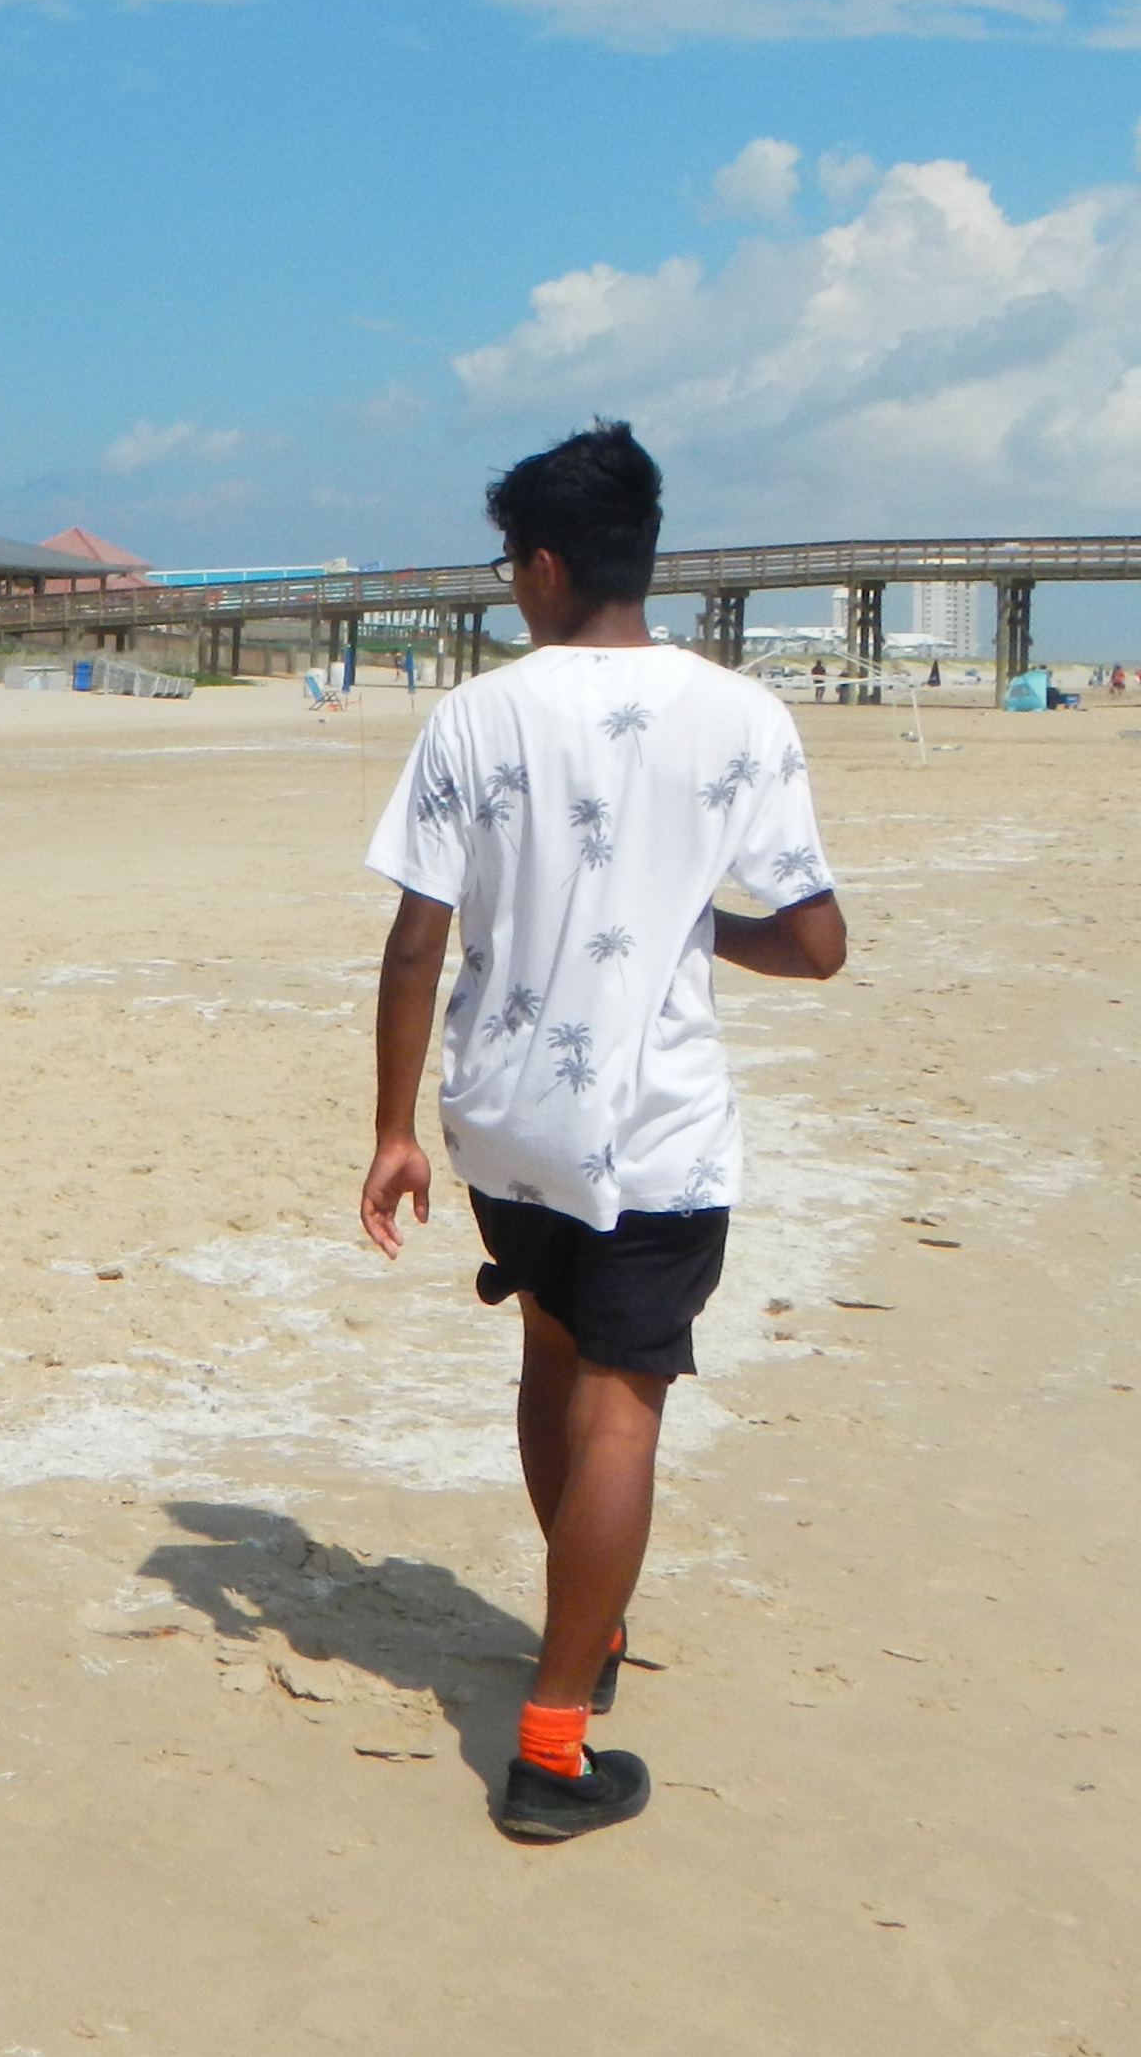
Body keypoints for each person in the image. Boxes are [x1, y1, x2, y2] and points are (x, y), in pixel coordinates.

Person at [357, 421, 846, 1847]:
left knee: (554, 1359)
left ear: (550, 563)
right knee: (625, 1402)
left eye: (514, 564)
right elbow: (817, 945)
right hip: (656, 1128)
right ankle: (555, 1747)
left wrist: (392, 1132)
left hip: (503, 1119)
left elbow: (413, 942)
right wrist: (706, 927)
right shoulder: (743, 715)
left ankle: (588, 1625)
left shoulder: (475, 714)